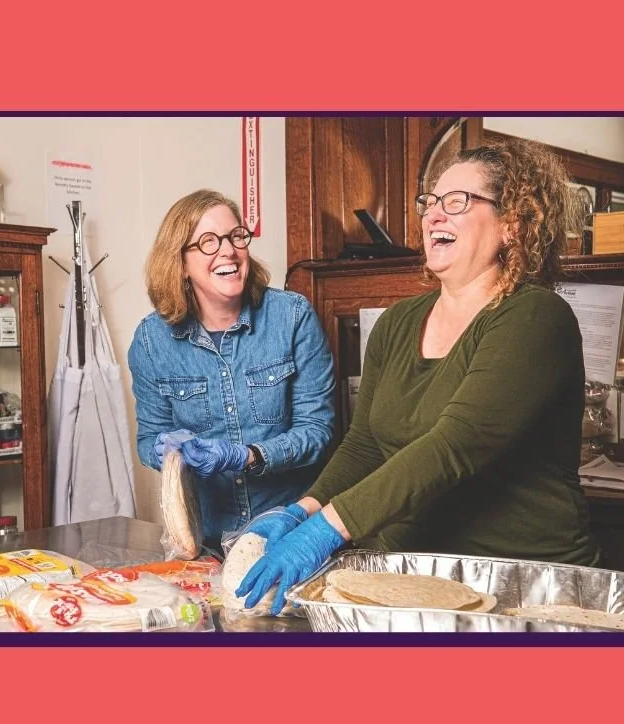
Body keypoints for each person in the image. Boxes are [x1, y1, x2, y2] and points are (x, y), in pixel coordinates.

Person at [237, 139, 600, 615]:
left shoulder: (534, 317)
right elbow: (364, 444)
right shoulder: (398, 322)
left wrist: (327, 528)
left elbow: (453, 447)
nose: (433, 216)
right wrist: (299, 510)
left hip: (524, 586)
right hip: (412, 577)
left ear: (513, 225)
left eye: (458, 202)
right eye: (429, 203)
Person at [127, 189, 335, 553]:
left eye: (236, 236)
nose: (228, 250)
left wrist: (248, 455)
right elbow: (148, 439)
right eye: (208, 242)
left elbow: (317, 432)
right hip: (204, 543)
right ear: (179, 263)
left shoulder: (292, 317)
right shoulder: (150, 340)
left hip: (290, 532)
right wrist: (164, 451)